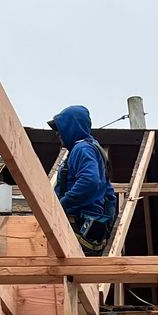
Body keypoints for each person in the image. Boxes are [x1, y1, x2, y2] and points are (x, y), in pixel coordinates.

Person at [49, 104, 119, 253]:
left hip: (77, 226)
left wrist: (62, 205)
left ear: (71, 127)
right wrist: (105, 224)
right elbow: (109, 194)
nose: (57, 134)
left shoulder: (82, 149)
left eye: (60, 128)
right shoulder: (93, 148)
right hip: (90, 229)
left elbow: (90, 181)